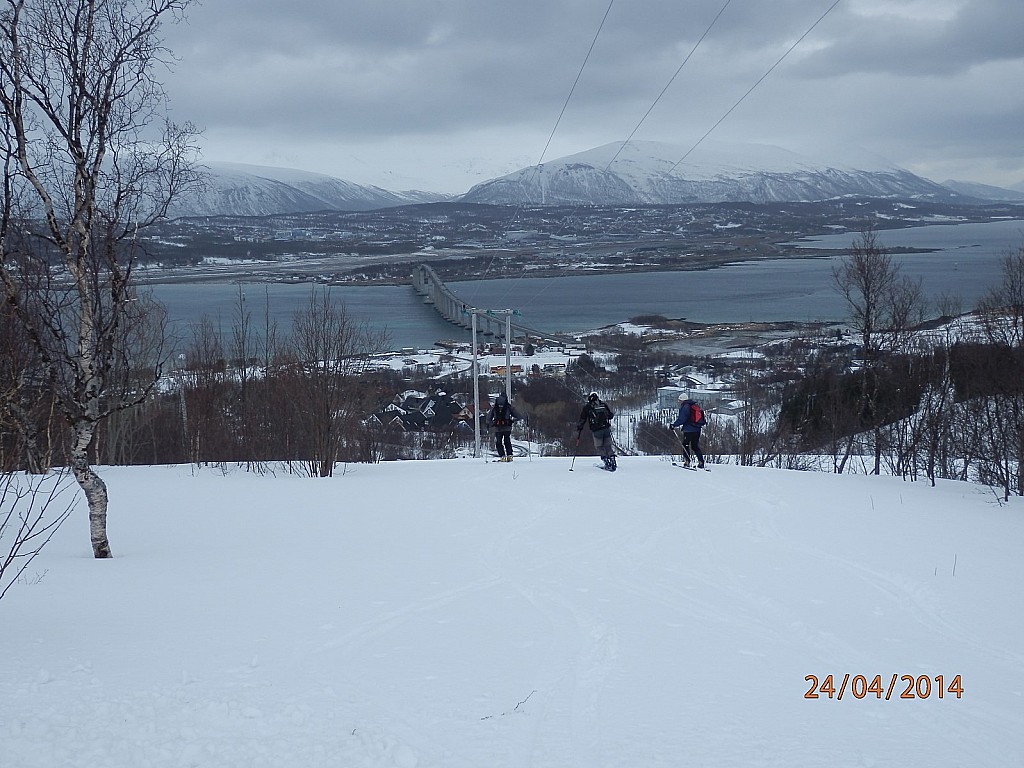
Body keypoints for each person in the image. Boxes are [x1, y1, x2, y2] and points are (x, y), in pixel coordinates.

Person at [577, 392, 616, 471]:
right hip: (606, 428)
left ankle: (606, 461)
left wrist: (580, 427)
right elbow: (610, 415)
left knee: (599, 446)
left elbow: (582, 419)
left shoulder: (588, 407)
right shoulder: (603, 405)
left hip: (597, 430)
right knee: (608, 446)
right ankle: (612, 459)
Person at [670, 394, 705, 469]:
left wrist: (674, 425)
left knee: (685, 445)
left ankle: (687, 461)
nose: (678, 401)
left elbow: (682, 419)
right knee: (695, 446)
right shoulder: (693, 405)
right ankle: (701, 462)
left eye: (679, 400)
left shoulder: (685, 407)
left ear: (682, 400)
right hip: (697, 429)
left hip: (689, 430)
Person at [486, 392, 522, 461]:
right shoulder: (508, 406)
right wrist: (512, 420)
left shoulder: (494, 406)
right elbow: (518, 416)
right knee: (507, 441)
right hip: (507, 427)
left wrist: (491, 423)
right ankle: (509, 455)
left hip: (497, 427)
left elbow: (489, 418)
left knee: (498, 442)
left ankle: (502, 455)